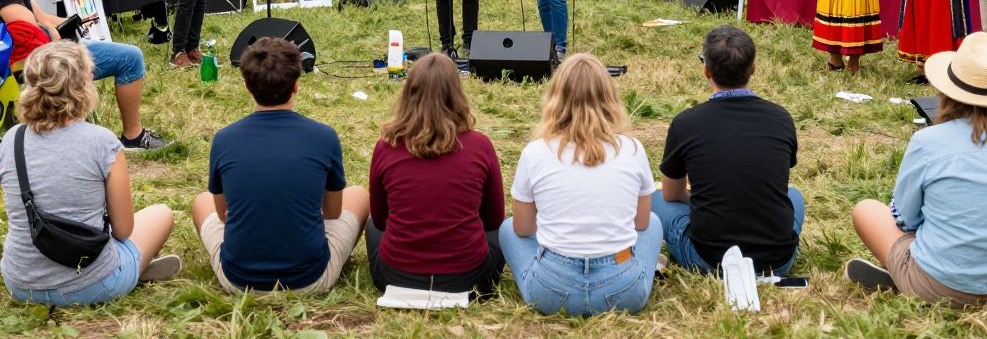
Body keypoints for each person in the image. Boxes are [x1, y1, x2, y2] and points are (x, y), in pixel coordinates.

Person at [846, 32, 987, 307]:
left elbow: (904, 219)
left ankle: (907, 279)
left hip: (939, 287)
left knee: (866, 210)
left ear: (947, 92)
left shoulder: (927, 142)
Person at [0, 42, 179, 306]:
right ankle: (130, 272)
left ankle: (131, 271)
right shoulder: (102, 142)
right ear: (81, 86)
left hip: (21, 284)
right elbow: (123, 230)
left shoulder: (11, 139)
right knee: (162, 214)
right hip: (93, 281)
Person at [192, 37, 369, 293]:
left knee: (201, 201)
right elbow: (332, 213)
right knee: (359, 195)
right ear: (296, 85)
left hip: (238, 281)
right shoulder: (324, 136)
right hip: (310, 280)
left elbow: (222, 215)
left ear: (246, 85)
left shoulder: (224, 139)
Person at [500, 53, 662, 316]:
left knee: (507, 228)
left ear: (555, 97)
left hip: (552, 289)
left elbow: (522, 227)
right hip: (622, 288)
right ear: (609, 97)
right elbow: (641, 223)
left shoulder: (535, 151)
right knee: (654, 223)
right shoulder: (633, 149)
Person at [0, 0, 171, 150]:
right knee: (130, 58)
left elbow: (42, 19)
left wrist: (77, 21)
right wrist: (69, 47)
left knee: (122, 54)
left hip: (46, 53)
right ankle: (133, 136)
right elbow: (27, 26)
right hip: (44, 59)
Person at [652, 26, 803, 275]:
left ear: (706, 70)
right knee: (794, 195)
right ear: (753, 67)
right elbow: (770, 183)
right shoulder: (781, 117)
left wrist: (706, 200)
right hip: (778, 260)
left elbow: (671, 193)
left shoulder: (686, 122)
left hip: (709, 258)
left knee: (656, 199)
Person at [367, 52, 505, 296]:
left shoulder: (386, 146)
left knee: (370, 227)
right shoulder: (480, 145)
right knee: (505, 230)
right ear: (457, 95)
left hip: (395, 275)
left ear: (408, 94)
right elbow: (494, 219)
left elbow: (379, 220)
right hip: (470, 278)